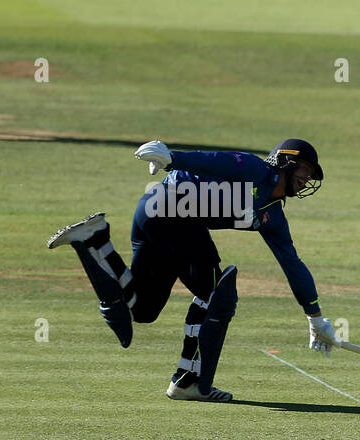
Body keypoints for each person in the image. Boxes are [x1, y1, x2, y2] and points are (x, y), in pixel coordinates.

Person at [46, 138, 341, 401]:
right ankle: (189, 382)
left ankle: (95, 241)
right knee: (216, 295)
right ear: (285, 163)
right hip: (169, 209)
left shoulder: (272, 215)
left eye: (311, 175)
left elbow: (292, 264)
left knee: (143, 309)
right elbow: (214, 160)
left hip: (161, 217)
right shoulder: (254, 170)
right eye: (305, 169)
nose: (307, 179)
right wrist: (172, 158)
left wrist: (315, 318)